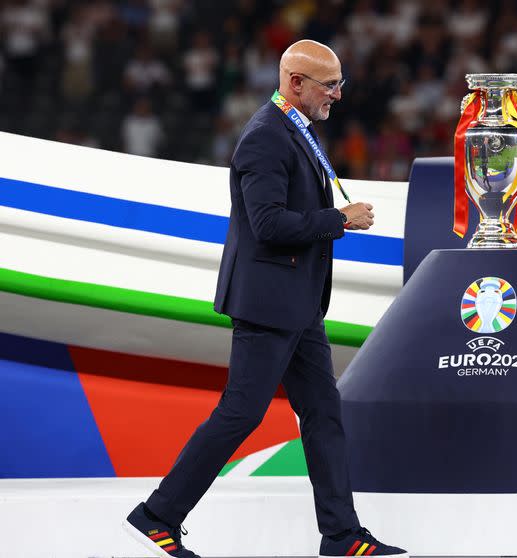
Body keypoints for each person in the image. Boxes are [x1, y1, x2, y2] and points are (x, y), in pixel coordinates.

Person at [124, 39, 408, 558]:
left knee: (323, 413)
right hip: (268, 303)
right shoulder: (264, 139)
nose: (338, 95)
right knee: (240, 414)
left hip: (297, 304)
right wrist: (340, 219)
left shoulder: (293, 131)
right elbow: (270, 224)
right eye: (330, 85)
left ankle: (341, 536)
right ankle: (157, 514)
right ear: (294, 82)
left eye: (340, 84)